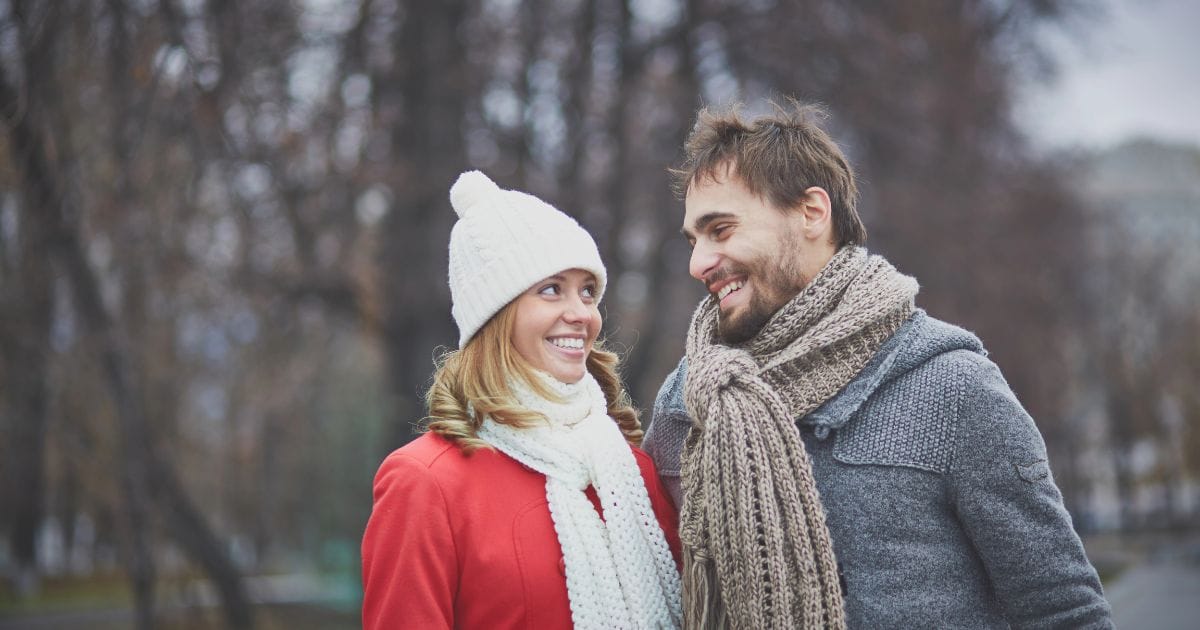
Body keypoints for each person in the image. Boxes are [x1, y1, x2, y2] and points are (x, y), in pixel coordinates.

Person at [642, 102, 1113, 628]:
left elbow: (1062, 609)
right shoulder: (688, 399)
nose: (697, 263)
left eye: (721, 230)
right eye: (693, 240)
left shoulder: (952, 387)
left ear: (812, 212)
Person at [361, 171, 683, 630]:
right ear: (496, 315)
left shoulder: (630, 472)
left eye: (587, 291)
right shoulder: (425, 483)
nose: (581, 314)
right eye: (551, 289)